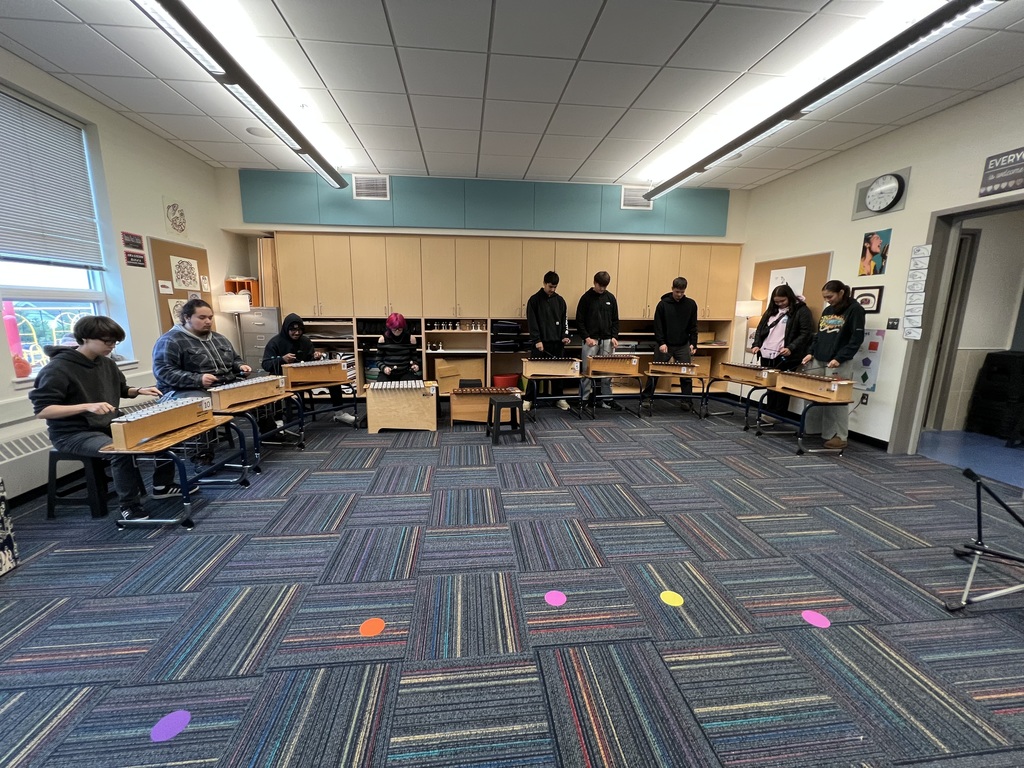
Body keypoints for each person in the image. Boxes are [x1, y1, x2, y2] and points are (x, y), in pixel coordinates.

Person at [28, 316, 178, 521]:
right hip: (72, 433)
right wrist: (87, 406)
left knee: (162, 433)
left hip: (108, 424)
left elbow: (121, 389)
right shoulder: (57, 368)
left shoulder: (106, 363)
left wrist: (140, 390)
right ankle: (129, 507)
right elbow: (43, 410)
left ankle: (162, 485)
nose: (112, 346)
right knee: (121, 451)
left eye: (115, 342)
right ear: (85, 339)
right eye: (107, 341)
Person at [801, 280, 866, 449]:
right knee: (814, 395)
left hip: (838, 362)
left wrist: (841, 357)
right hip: (820, 358)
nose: (828, 300)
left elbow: (856, 339)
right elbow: (819, 335)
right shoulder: (828, 310)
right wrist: (810, 352)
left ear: (841, 293)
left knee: (836, 400)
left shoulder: (855, 310)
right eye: (825, 297)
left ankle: (839, 435)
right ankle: (815, 430)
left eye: (830, 296)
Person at [153, 299, 253, 398]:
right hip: (189, 389)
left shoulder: (220, 338)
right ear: (187, 317)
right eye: (202, 318)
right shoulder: (170, 340)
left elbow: (235, 359)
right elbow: (164, 371)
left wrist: (241, 366)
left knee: (258, 394)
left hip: (224, 384)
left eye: (210, 318)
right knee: (206, 403)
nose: (208, 322)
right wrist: (198, 379)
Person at [262, 313, 352, 421]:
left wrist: (315, 357)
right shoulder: (275, 342)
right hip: (284, 378)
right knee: (275, 385)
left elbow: (309, 360)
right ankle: (278, 420)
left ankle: (339, 413)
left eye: (299, 330)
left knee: (335, 380)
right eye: (293, 330)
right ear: (286, 329)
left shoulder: (305, 341)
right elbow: (266, 364)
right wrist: (282, 359)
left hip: (305, 376)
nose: (297, 333)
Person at [751, 284, 815, 419]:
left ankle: (777, 415)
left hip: (786, 355)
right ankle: (768, 412)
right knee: (770, 384)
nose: (779, 304)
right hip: (767, 353)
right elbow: (760, 329)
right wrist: (756, 344)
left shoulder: (802, 310)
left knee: (781, 386)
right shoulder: (771, 311)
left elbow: (806, 333)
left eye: (782, 301)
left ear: (789, 298)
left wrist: (791, 347)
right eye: (776, 301)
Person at [647, 277, 699, 407]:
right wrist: (661, 342)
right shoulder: (663, 304)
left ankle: (687, 401)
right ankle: (647, 398)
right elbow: (658, 326)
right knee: (655, 371)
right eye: (677, 292)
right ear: (672, 289)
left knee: (686, 373)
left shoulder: (691, 305)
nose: (679, 295)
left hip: (682, 344)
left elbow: (693, 326)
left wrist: (694, 343)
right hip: (665, 344)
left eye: (682, 292)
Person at [525, 271, 571, 411]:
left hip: (557, 343)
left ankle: (559, 398)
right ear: (544, 283)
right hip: (540, 344)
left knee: (558, 373)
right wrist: (537, 340)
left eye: (555, 287)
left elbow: (565, 320)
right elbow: (532, 322)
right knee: (535, 373)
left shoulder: (560, 300)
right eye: (550, 286)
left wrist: (565, 335)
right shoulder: (534, 300)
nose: (552, 289)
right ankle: (528, 399)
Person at [576, 271, 621, 410]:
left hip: (607, 340)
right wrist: (586, 337)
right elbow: (580, 321)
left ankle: (607, 398)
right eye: (600, 285)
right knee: (587, 372)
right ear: (594, 282)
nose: (602, 288)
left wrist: (614, 336)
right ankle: (584, 399)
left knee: (607, 372)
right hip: (591, 340)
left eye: (605, 286)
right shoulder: (586, 298)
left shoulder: (611, 298)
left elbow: (615, 320)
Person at [376, 313, 421, 381]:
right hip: (388, 374)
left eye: (400, 329)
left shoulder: (411, 339)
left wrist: (415, 365)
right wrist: (384, 368)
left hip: (406, 372)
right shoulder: (383, 339)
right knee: (382, 387)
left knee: (411, 388)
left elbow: (414, 359)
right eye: (394, 329)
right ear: (389, 327)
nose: (397, 331)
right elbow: (378, 361)